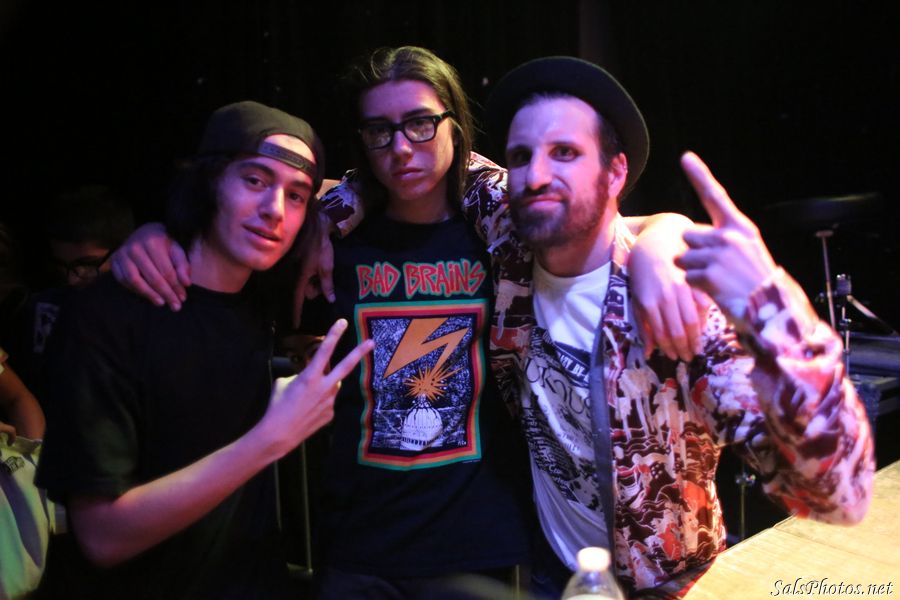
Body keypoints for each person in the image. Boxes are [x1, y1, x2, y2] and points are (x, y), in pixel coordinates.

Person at [109, 47, 704, 599]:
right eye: (380, 131)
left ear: (454, 127)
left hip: (478, 543)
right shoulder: (325, 236)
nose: (400, 148)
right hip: (357, 546)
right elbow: (228, 244)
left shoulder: (503, 230)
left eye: (420, 123)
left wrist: (666, 235)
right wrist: (155, 235)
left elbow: (613, 227)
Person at [460, 56, 874, 595]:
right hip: (553, 569)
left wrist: (774, 309)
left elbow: (841, 495)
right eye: (521, 156)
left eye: (565, 153)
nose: (535, 176)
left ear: (615, 173)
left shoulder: (678, 308)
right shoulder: (509, 236)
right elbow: (438, 157)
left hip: (667, 585)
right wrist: (342, 207)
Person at [35, 100, 373, 599]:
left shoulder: (264, 294)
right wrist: (271, 438)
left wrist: (323, 226)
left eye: (296, 195)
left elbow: (383, 180)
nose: (275, 209)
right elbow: (103, 537)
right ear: (209, 179)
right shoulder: (107, 316)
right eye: (254, 180)